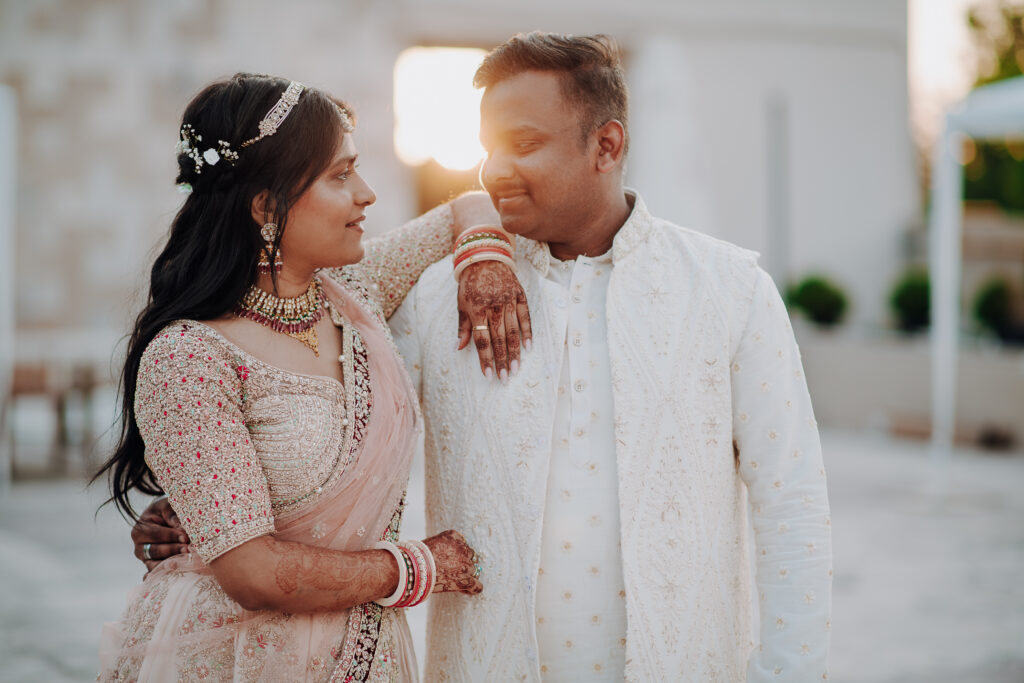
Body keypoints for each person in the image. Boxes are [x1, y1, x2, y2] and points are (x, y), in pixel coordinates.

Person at [387, 33, 833, 681]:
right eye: (488, 149)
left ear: (607, 145)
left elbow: (791, 502)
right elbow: (335, 388)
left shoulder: (729, 289)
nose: (494, 170)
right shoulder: (437, 296)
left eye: (524, 144)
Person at [94, 72, 529, 682]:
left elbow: (466, 206)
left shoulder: (351, 293)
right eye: (341, 176)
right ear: (266, 205)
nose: (368, 194)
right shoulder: (189, 358)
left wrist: (486, 255)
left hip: (365, 655)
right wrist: (419, 567)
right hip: (232, 659)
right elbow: (252, 574)